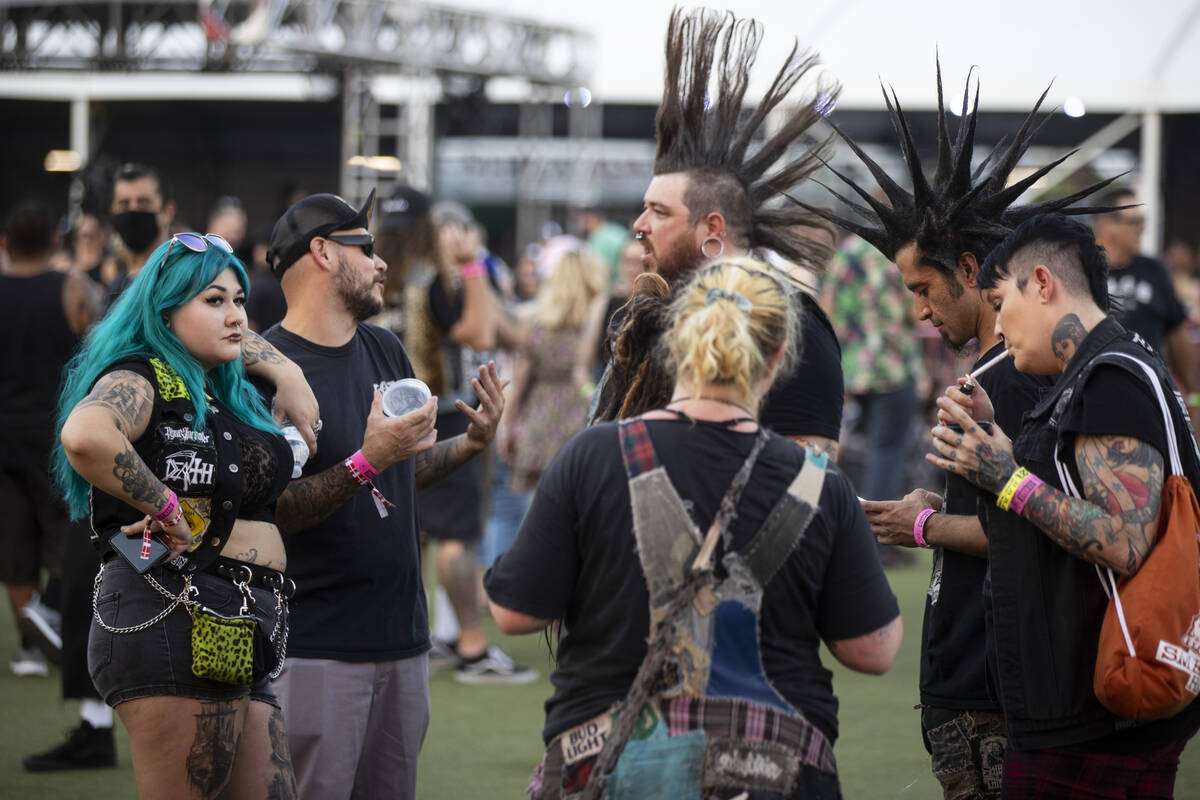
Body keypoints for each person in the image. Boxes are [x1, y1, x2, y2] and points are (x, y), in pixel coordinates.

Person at [801, 67, 1125, 800]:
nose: (918, 310)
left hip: (992, 671)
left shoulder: (1014, 376)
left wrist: (921, 523)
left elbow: (1039, 523)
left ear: (971, 271)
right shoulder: (1002, 371)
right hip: (974, 664)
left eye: (922, 288)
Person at [486, 258, 902, 799]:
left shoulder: (592, 456)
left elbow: (514, 613)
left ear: (676, 343)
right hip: (777, 769)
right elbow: (874, 649)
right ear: (777, 359)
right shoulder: (818, 484)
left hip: (610, 766)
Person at [933, 214, 1200, 797]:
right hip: (1091, 709)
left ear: (1044, 284)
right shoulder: (1102, 371)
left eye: (1002, 301)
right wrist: (998, 445)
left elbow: (1123, 542)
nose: (999, 327)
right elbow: (1074, 494)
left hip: (1094, 719)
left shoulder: (1110, 378)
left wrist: (1004, 478)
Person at [261, 188, 508, 799]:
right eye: (364, 247)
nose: (381, 262)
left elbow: (396, 476)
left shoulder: (385, 347)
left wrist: (468, 447)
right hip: (318, 645)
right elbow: (273, 510)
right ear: (321, 253)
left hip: (402, 638)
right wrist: (367, 460)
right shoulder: (265, 367)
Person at [53, 231, 306, 797]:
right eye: (214, 301)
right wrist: (162, 504)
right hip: (172, 610)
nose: (236, 316)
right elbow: (86, 434)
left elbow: (238, 337)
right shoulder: (139, 374)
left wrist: (289, 371)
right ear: (164, 313)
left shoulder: (220, 389)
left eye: (240, 300)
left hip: (245, 620)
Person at [594, 8, 845, 466]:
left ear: (712, 229)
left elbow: (808, 482)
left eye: (658, 211)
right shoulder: (650, 316)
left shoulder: (792, 323)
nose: (639, 225)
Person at [413, 200, 536, 683]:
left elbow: (513, 332)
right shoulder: (439, 281)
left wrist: (479, 274)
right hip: (447, 414)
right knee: (453, 536)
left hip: (430, 412)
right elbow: (483, 330)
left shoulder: (458, 279)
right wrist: (472, 266)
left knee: (431, 534)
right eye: (450, 231)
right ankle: (471, 645)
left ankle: (439, 637)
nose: (457, 239)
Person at [1, 203, 100, 678]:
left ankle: (29, 647)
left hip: (3, 440)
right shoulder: (72, 288)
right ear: (56, 242)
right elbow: (98, 352)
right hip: (55, 436)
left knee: (14, 546)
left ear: (5, 244)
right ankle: (61, 628)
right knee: (62, 540)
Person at [1093, 189, 1200, 424]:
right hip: (1093, 395)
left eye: (1143, 221)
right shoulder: (1082, 270)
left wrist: (1193, 398)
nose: (1142, 229)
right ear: (1106, 224)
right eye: (1135, 222)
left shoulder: (1154, 270)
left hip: (1150, 396)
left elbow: (1178, 334)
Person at [505, 248, 607, 494]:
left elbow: (519, 382)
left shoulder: (537, 322)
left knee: (533, 508)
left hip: (538, 417)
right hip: (578, 415)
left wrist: (506, 427)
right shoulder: (596, 322)